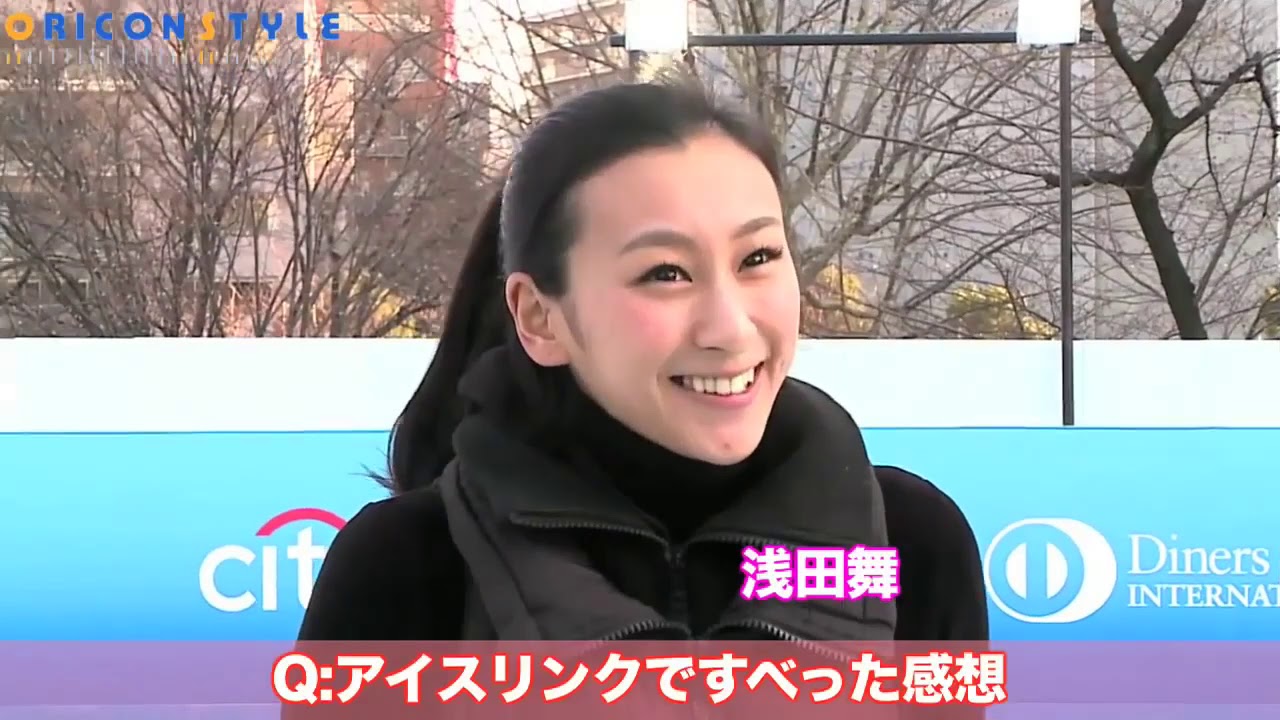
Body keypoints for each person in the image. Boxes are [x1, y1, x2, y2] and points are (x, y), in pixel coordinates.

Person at [298, 79, 986, 644]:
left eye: (757, 258)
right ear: (539, 317)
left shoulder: (910, 545)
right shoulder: (407, 568)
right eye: (665, 273)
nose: (730, 328)